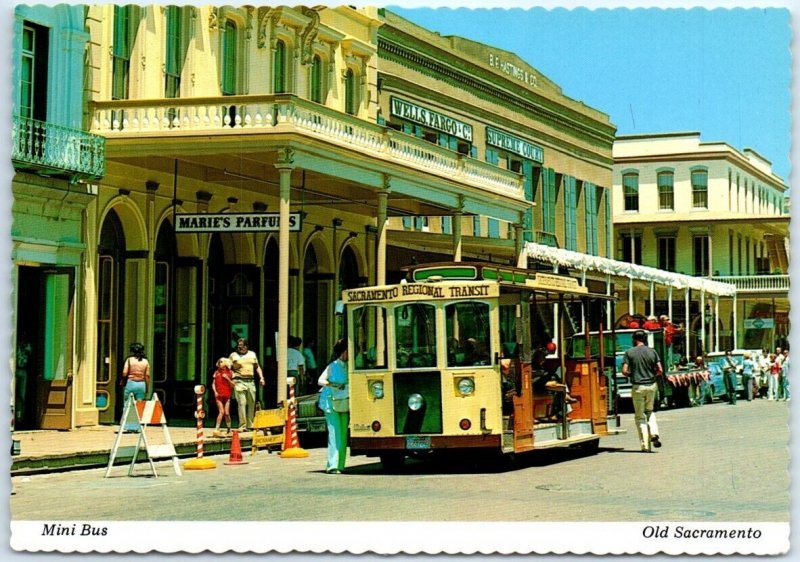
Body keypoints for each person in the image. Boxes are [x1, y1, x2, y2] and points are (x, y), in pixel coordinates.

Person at [621, 329, 663, 452]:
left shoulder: (629, 352)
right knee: (650, 411)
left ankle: (645, 445)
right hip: (651, 385)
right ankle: (654, 433)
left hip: (638, 386)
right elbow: (660, 369)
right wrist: (652, 375)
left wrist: (632, 374)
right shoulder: (652, 352)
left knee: (640, 416)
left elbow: (624, 371)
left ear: (634, 339)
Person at [318, 339, 349, 474]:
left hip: (344, 402)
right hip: (331, 403)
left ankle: (340, 465)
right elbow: (321, 381)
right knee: (334, 434)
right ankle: (332, 465)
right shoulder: (332, 366)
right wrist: (334, 385)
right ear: (343, 352)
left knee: (343, 434)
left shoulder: (350, 366)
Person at [229, 338, 265, 430]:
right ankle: (242, 425)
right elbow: (228, 368)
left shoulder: (252, 354)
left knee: (252, 402)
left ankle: (250, 424)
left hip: (251, 381)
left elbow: (257, 367)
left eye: (242, 346)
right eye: (239, 346)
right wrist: (231, 379)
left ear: (246, 346)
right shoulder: (233, 355)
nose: (240, 348)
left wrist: (261, 377)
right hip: (239, 380)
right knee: (242, 403)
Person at [120, 342, 150, 432]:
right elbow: (147, 375)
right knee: (139, 405)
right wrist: (147, 386)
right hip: (141, 384)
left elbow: (124, 373)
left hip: (131, 383)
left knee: (127, 404)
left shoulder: (129, 360)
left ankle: (128, 426)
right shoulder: (145, 361)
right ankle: (137, 427)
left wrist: (123, 378)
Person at [211, 357, 234, 437]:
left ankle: (228, 428)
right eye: (219, 362)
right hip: (219, 394)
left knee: (227, 413)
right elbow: (213, 383)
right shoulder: (216, 372)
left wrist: (227, 378)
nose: (219, 363)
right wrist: (215, 392)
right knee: (221, 411)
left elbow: (233, 385)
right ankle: (216, 429)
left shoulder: (231, 372)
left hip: (227, 395)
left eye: (221, 362)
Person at [15, 334, 32, 424]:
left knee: (21, 396)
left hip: (23, 370)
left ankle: (19, 417)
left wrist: (26, 347)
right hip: (13, 369)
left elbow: (31, 354)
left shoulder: (26, 345)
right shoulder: (14, 343)